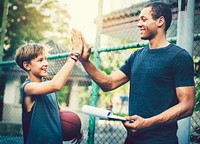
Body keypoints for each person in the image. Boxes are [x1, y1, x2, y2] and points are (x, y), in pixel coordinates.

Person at [78, 2, 195, 144]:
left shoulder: (179, 57)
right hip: (132, 140)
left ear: (160, 21)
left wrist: (147, 123)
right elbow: (109, 83)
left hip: (161, 140)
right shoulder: (136, 57)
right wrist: (85, 62)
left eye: (144, 19)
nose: (139, 24)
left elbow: (187, 105)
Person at [15, 29, 83, 144]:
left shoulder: (49, 90)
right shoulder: (28, 88)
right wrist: (74, 55)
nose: (46, 63)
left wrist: (74, 129)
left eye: (45, 59)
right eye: (40, 60)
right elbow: (56, 85)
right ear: (27, 65)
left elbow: (59, 114)